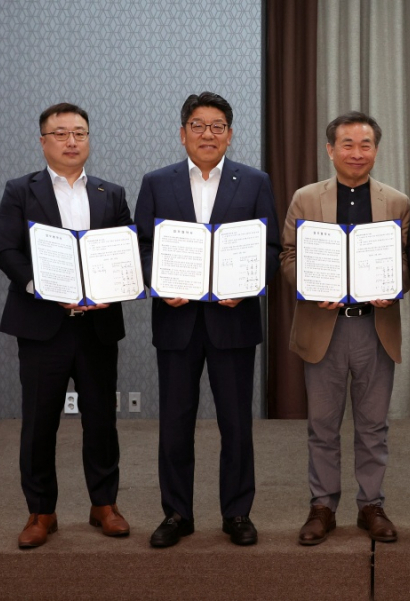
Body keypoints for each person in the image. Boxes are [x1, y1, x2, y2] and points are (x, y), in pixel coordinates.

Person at [135, 92, 281, 548]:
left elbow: (271, 248)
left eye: (218, 126)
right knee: (175, 423)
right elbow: (140, 246)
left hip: (233, 321)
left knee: (236, 423)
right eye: (198, 126)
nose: (208, 134)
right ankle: (177, 514)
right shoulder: (157, 182)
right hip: (176, 322)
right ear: (182, 134)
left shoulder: (254, 181)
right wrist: (160, 283)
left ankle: (237, 513)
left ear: (230, 135)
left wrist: (248, 284)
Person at [0, 102, 132, 548]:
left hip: (97, 326)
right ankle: (41, 512)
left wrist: (115, 285)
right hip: (42, 325)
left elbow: (125, 253)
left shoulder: (111, 193)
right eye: (61, 134)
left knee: (101, 419)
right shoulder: (20, 190)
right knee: (39, 423)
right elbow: (5, 250)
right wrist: (39, 286)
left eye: (80, 133)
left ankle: (103, 504)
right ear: (43, 141)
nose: (72, 142)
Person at [280, 112, 410, 546]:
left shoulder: (396, 202)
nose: (357, 153)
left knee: (374, 426)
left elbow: (409, 263)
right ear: (330, 149)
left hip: (375, 327)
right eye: (348, 144)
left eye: (366, 144)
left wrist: (396, 287)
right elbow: (288, 256)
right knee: (323, 425)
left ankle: (371, 504)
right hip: (324, 326)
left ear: (376, 149)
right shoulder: (306, 198)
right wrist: (312, 286)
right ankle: (323, 506)